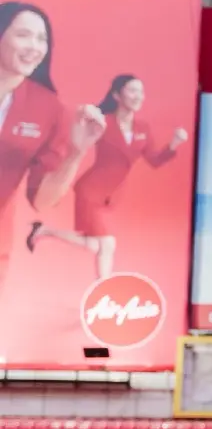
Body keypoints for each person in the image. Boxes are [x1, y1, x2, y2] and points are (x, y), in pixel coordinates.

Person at [28, 74, 187, 280]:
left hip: (112, 195)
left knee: (96, 245)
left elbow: (155, 161)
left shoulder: (143, 129)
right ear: (117, 96)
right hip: (90, 190)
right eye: (132, 91)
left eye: (141, 91)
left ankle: (44, 231)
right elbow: (77, 129)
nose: (138, 96)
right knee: (108, 244)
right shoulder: (103, 122)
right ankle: (104, 292)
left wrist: (174, 143)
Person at [0, 1, 105, 293]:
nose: (34, 46)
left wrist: (76, 152)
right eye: (23, 35)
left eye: (42, 39)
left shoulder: (48, 109)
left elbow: (42, 200)